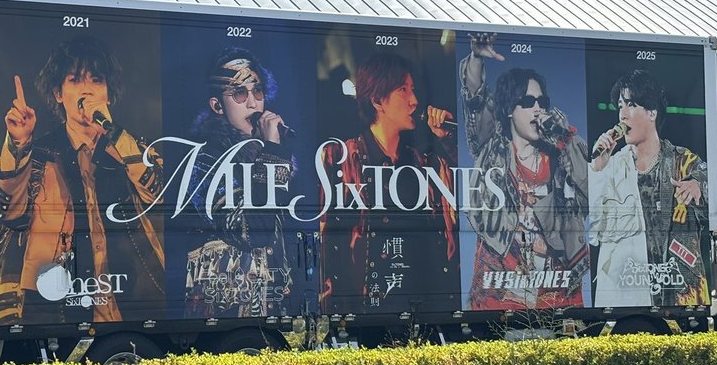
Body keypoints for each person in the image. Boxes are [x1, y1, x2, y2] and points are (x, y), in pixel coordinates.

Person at [0, 37, 164, 325]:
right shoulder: (38, 154)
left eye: (96, 80)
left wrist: (113, 132)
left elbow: (159, 196)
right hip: (56, 310)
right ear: (58, 93)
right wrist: (18, 142)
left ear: (109, 94)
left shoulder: (132, 149)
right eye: (75, 80)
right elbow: (7, 211)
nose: (87, 90)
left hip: (129, 305)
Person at [319, 51, 458, 315]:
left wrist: (447, 139)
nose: (414, 101)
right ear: (376, 100)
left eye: (413, 89)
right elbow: (325, 240)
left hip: (422, 306)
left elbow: (471, 199)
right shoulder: (340, 158)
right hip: (359, 309)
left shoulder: (427, 164)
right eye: (403, 90)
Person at [460, 34, 589, 311]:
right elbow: (475, 102)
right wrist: (476, 59)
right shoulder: (492, 148)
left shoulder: (560, 154)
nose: (538, 109)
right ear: (509, 109)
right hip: (499, 292)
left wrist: (562, 136)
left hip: (556, 293)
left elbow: (590, 187)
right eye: (528, 101)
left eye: (542, 101)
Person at [183, 48, 296, 318]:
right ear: (217, 106)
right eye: (240, 94)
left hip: (269, 303)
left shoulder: (265, 153)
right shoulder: (207, 160)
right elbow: (253, 232)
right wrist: (273, 151)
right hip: (226, 309)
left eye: (258, 91)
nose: (253, 103)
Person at [588, 68, 709, 308]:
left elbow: (714, 195)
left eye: (631, 104)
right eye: (620, 106)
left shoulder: (683, 161)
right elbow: (592, 231)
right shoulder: (610, 168)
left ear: (652, 112)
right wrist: (597, 169)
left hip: (677, 292)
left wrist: (699, 186)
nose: (622, 114)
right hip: (625, 293)